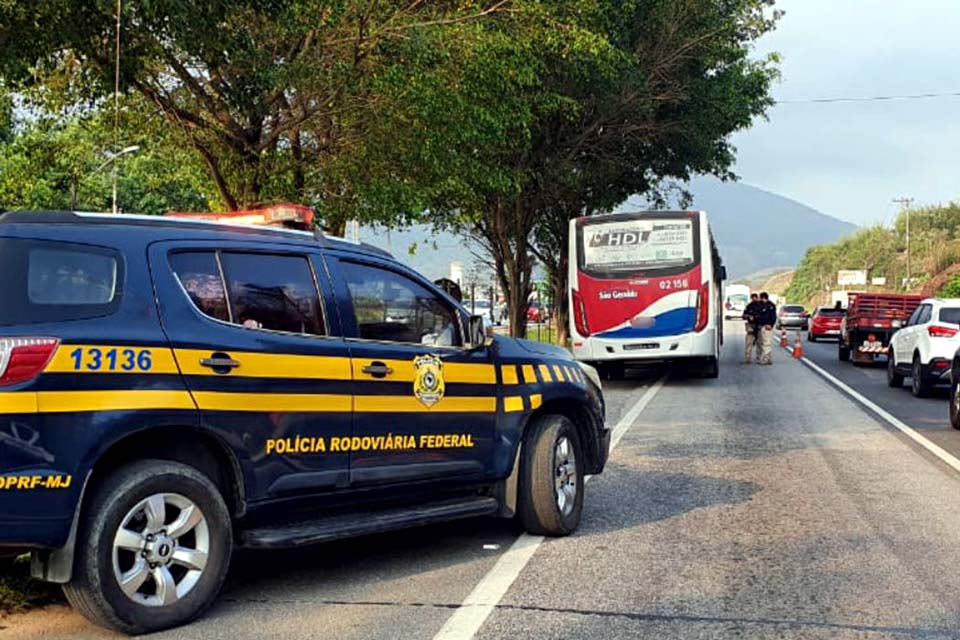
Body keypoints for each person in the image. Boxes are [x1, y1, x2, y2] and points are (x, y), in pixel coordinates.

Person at [757, 291, 777, 365]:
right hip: (762, 326)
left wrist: (770, 324)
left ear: (763, 298)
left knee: (766, 343)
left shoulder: (770, 306)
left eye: (760, 298)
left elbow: (773, 316)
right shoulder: (762, 305)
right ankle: (768, 359)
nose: (759, 299)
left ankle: (765, 359)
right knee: (764, 343)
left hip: (767, 326)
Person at [742, 293, 761, 363]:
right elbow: (743, 316)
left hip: (759, 327)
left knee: (760, 344)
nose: (754, 299)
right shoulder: (749, 306)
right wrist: (748, 316)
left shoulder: (761, 306)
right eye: (752, 298)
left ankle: (759, 358)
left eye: (755, 298)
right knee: (748, 343)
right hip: (750, 326)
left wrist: (756, 317)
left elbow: (764, 316)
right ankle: (747, 358)